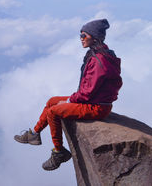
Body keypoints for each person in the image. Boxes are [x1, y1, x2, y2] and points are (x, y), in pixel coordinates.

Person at [14, 19, 123, 171]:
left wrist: (69, 100)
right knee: (52, 101)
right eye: (81, 35)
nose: (81, 38)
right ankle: (34, 133)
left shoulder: (100, 61)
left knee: (53, 112)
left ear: (95, 37)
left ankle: (59, 152)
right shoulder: (99, 54)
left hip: (96, 107)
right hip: (94, 102)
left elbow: (87, 93)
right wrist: (69, 100)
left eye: (84, 35)